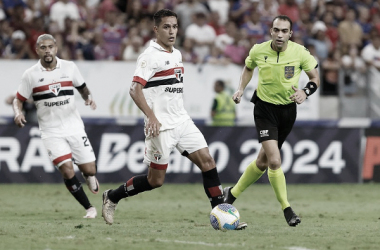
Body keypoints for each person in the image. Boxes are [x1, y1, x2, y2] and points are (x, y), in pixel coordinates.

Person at [101, 9, 246, 230]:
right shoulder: (149, 56)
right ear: (156, 29)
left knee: (208, 161)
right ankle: (112, 196)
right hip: (160, 126)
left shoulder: (176, 54)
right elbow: (134, 89)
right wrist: (151, 116)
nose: (172, 31)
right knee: (155, 181)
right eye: (167, 27)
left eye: (175, 26)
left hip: (182, 120)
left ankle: (222, 216)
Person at [224, 15, 320, 227]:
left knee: (262, 162)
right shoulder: (258, 50)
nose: (279, 34)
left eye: (284, 31)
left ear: (290, 34)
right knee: (275, 161)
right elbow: (248, 67)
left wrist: (305, 92)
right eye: (276, 30)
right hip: (264, 109)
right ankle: (287, 209)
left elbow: (315, 79)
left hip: (287, 112)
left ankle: (231, 194)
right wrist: (241, 89)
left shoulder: (299, 52)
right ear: (270, 31)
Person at [12, 34, 100, 219]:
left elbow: (82, 87)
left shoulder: (70, 67)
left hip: (74, 126)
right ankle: (89, 208)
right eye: (43, 47)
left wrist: (88, 97)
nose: (47, 51)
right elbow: (17, 100)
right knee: (67, 169)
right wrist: (18, 113)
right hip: (50, 131)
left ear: (56, 48)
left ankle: (88, 175)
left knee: (90, 169)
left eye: (50, 47)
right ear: (37, 50)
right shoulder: (31, 74)